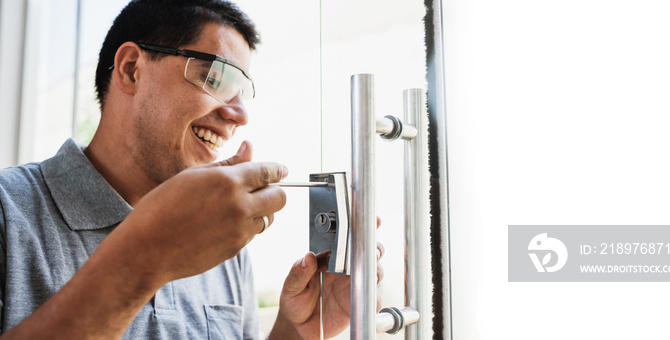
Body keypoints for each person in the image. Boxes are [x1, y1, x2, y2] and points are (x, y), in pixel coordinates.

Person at [0, 0, 384, 338]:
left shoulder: (224, 244)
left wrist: (295, 331)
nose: (239, 115)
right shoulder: (8, 209)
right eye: (215, 77)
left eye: (243, 93)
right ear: (132, 68)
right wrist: (149, 257)